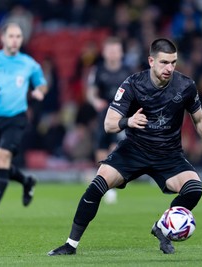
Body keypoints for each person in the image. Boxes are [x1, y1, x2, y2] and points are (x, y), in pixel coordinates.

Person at [47, 38, 202, 255]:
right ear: (151, 61)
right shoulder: (132, 84)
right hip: (134, 150)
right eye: (164, 62)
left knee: (194, 188)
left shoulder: (186, 86)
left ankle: (162, 227)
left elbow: (199, 120)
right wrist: (128, 121)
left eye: (173, 62)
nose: (169, 68)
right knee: (97, 185)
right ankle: (70, 245)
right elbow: (109, 123)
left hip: (168, 154)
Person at [0, 22, 48, 222]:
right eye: (11, 36)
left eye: (18, 37)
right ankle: (27, 181)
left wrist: (39, 91)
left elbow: (42, 84)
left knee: (3, 158)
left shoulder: (29, 63)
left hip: (17, 118)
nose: (15, 40)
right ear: (2, 38)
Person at [86, 36, 132, 204]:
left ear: (121, 53)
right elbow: (90, 92)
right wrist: (95, 101)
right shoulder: (98, 70)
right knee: (100, 149)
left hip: (121, 116)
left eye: (116, 50)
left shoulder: (128, 72)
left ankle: (109, 186)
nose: (113, 54)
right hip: (103, 115)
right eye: (110, 50)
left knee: (115, 148)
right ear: (104, 52)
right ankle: (103, 182)